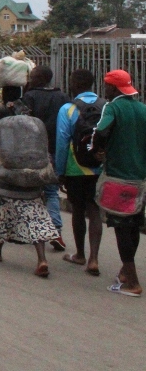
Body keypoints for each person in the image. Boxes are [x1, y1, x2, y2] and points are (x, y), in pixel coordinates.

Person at [0, 68, 58, 278]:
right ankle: (41, 258)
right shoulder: (34, 126)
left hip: (7, 181)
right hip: (33, 181)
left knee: (2, 215)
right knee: (35, 218)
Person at [92, 69, 146, 297]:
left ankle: (132, 282)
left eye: (107, 86)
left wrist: (98, 150)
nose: (105, 90)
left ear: (113, 88)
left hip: (117, 176)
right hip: (140, 178)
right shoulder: (143, 108)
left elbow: (102, 131)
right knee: (134, 224)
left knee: (121, 227)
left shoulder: (113, 107)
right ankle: (125, 271)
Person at [55, 69, 103, 276]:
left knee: (77, 210)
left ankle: (80, 254)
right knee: (95, 211)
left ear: (73, 84)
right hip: (99, 168)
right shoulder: (105, 106)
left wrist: (60, 171)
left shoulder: (67, 109)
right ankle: (94, 258)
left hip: (75, 168)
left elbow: (62, 142)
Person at [23, 64, 70, 251]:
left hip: (34, 151)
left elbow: (21, 122)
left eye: (32, 76)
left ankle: (35, 231)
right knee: (51, 192)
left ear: (40, 78)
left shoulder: (30, 97)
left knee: (32, 193)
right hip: (55, 150)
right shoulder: (62, 97)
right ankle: (56, 230)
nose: (30, 78)